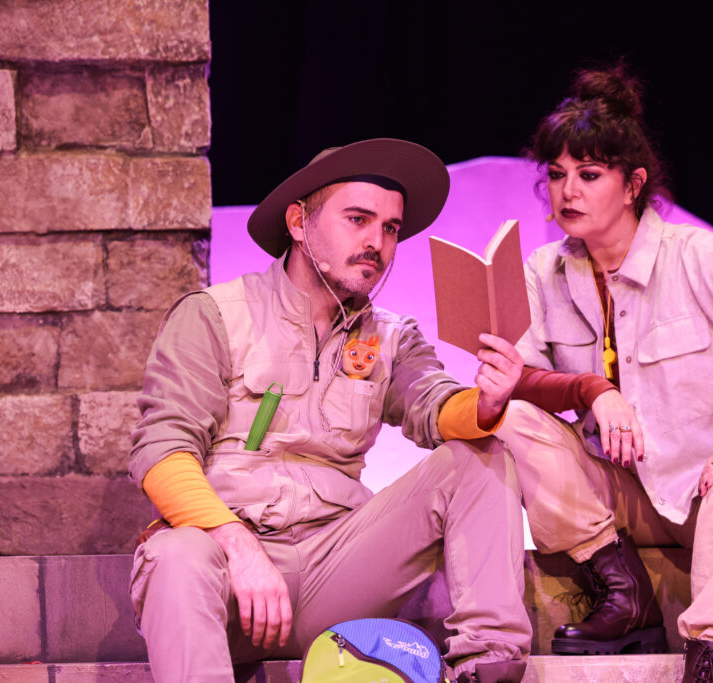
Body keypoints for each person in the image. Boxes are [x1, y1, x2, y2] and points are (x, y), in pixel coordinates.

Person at [128, 138, 531, 683]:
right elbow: (161, 453)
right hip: (228, 576)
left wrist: (487, 402)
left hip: (336, 571)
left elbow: (434, 404)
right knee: (175, 553)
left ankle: (490, 665)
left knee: (479, 455)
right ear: (299, 222)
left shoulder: (392, 336)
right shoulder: (214, 315)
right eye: (358, 219)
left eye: (390, 228)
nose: (377, 243)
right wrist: (238, 546)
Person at [492, 63, 713, 682]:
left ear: (632, 184)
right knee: (508, 419)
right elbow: (521, 375)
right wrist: (592, 389)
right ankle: (623, 593)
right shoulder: (545, 270)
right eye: (557, 175)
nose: (568, 192)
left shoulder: (695, 256)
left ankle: (708, 662)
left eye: (589, 175)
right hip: (626, 496)